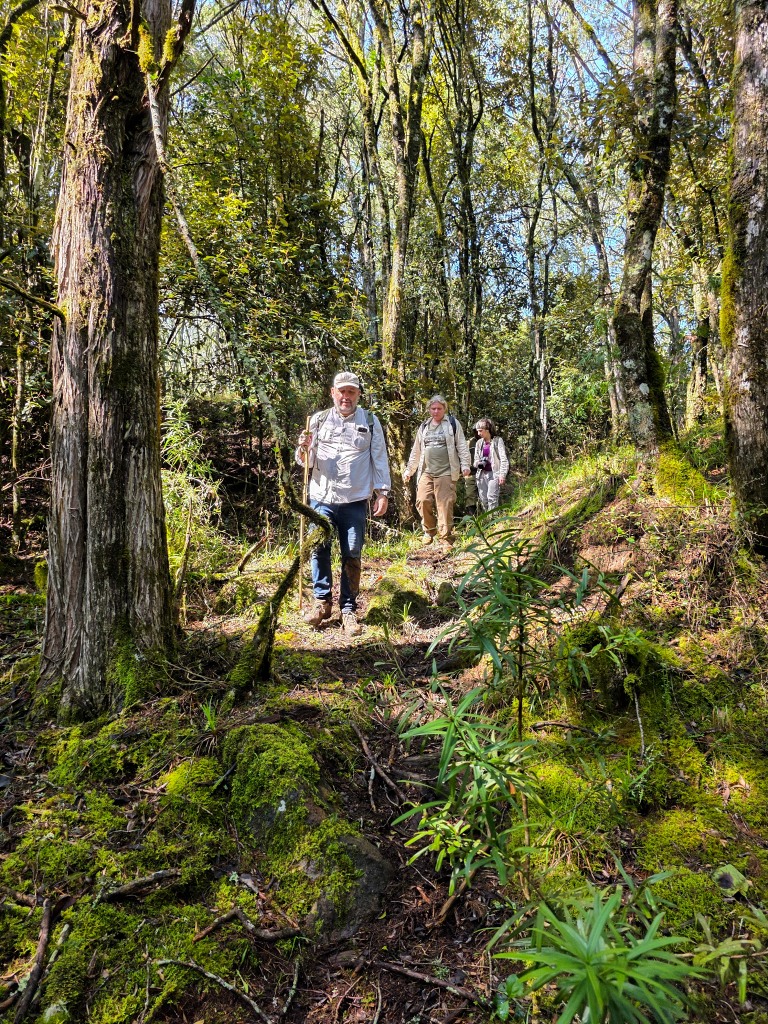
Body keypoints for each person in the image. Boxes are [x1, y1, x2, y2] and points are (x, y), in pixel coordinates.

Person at [296, 371, 391, 636]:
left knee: (352, 554)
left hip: (355, 500)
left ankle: (348, 610)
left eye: (351, 392)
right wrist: (303, 448)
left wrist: (383, 492)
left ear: (358, 394)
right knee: (318, 549)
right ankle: (321, 603)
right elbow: (306, 463)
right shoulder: (317, 420)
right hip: (321, 498)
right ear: (332, 392)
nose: (346, 396)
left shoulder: (370, 421)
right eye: (342, 391)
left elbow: (379, 458)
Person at [403, 395, 471, 551]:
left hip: (446, 471)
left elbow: (461, 445)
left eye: (439, 408)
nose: (436, 411)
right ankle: (429, 530)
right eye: (433, 408)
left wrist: (465, 464)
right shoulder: (424, 426)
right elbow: (416, 450)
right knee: (422, 500)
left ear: (444, 409)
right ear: (429, 410)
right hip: (426, 471)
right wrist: (409, 470)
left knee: (445, 504)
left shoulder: (452, 424)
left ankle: (446, 538)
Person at [473, 418, 509, 510]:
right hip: (481, 475)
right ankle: (488, 520)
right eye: (478, 431)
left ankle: (494, 521)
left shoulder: (497, 441)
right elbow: (475, 461)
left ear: (487, 430)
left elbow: (503, 459)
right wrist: (479, 463)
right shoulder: (479, 443)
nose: (479, 433)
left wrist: (502, 475)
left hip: (494, 474)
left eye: (481, 431)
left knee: (492, 498)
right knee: (484, 500)